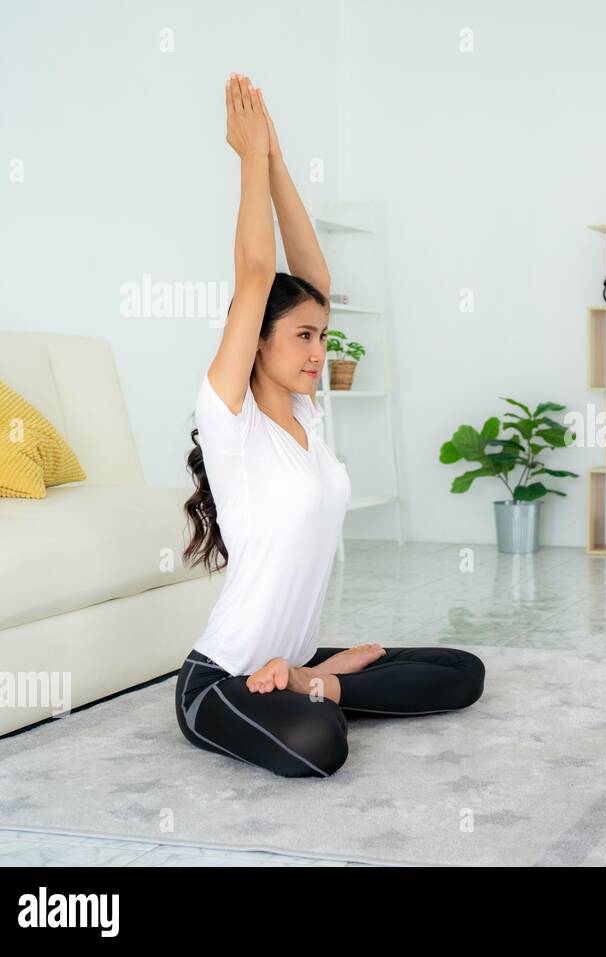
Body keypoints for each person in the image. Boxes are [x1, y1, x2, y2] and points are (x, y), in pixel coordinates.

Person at [176, 73, 484, 778]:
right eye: (303, 338)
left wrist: (279, 160)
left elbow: (311, 272)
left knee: (463, 669)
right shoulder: (230, 420)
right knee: (321, 743)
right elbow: (257, 272)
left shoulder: (308, 416)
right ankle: (319, 688)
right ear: (256, 340)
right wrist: (249, 159)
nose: (320, 351)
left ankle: (317, 678)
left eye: (323, 336)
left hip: (295, 662)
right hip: (220, 679)